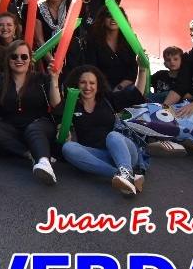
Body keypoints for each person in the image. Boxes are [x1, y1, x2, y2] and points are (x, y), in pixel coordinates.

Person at [0, 40, 62, 183]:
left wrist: (54, 80)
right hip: (12, 128)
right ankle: (29, 153)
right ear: (8, 59)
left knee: (33, 129)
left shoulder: (41, 79)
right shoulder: (0, 80)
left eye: (24, 57)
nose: (19, 60)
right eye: (14, 56)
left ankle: (44, 162)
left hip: (39, 125)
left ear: (30, 59)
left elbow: (56, 105)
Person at [58, 65, 147, 195]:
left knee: (112, 136)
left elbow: (136, 93)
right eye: (83, 82)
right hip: (97, 156)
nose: (87, 87)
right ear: (76, 84)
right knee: (68, 148)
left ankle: (126, 172)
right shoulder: (72, 105)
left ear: (98, 85)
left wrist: (142, 69)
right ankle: (122, 175)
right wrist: (65, 132)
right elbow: (59, 117)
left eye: (92, 83)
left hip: (124, 152)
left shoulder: (108, 99)